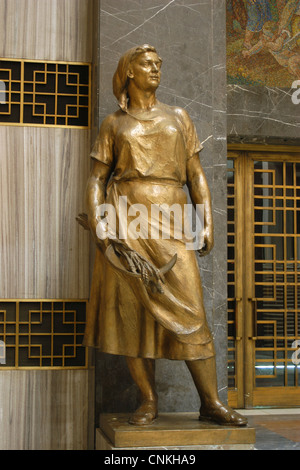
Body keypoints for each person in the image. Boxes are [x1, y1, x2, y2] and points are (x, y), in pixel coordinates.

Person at [83, 44, 247, 427]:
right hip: (126, 219)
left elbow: (196, 175)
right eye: (147, 63)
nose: (155, 68)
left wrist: (206, 220)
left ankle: (210, 401)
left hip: (171, 219)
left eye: (159, 63)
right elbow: (96, 179)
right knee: (132, 315)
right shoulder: (114, 124)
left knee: (191, 311)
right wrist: (99, 221)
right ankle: (148, 400)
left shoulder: (178, 117)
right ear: (129, 72)